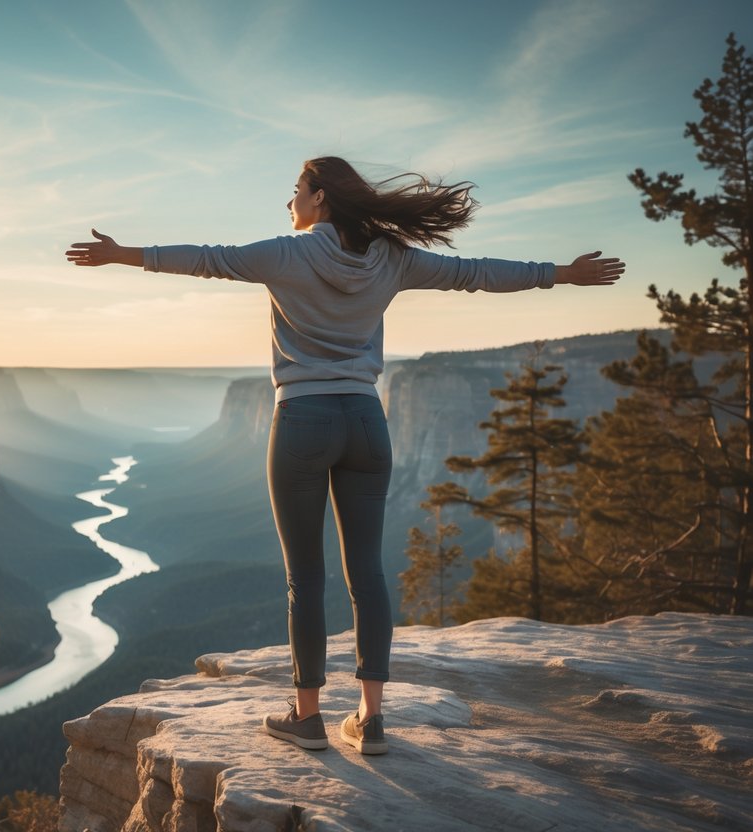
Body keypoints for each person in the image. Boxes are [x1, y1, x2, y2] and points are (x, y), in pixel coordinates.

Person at [64, 156, 624, 754]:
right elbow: (476, 272)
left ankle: (308, 719)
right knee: (369, 575)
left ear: (321, 197)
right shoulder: (392, 257)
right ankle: (371, 718)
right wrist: (563, 273)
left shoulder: (285, 253)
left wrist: (121, 254)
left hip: (302, 419)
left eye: (295, 190)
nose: (289, 202)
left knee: (306, 577)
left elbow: (204, 259)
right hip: (365, 421)